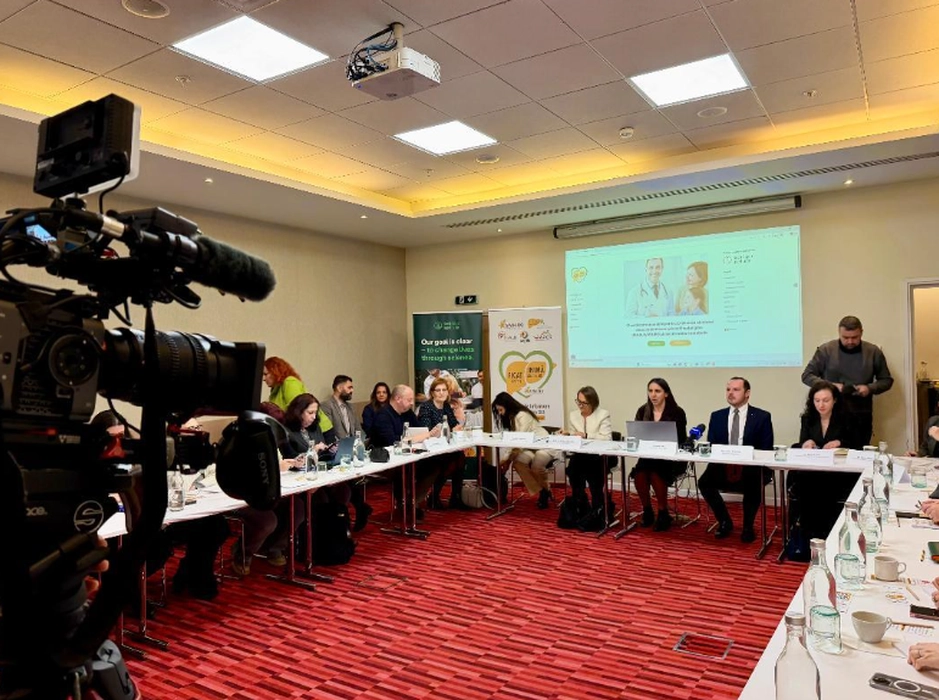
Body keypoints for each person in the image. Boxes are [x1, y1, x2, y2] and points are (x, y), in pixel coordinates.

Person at [699, 377, 774, 543]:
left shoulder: (762, 417)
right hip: (723, 466)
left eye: (736, 389)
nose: (730, 393)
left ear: (747, 393)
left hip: (750, 466)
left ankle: (748, 526)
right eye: (728, 389)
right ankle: (725, 521)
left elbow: (766, 448)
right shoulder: (717, 416)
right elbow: (712, 445)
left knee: (754, 482)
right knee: (704, 483)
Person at [787, 381, 863, 541]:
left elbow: (858, 445)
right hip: (813, 470)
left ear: (835, 400)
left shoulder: (848, 418)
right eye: (817, 400)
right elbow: (802, 442)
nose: (821, 405)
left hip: (838, 473)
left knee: (821, 488)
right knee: (803, 481)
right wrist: (806, 444)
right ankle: (806, 533)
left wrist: (840, 443)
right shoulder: (808, 418)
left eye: (826, 400)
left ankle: (825, 533)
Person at [802, 315, 894, 445]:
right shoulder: (826, 350)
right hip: (830, 414)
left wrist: (869, 388)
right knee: (827, 450)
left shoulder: (873, 352)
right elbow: (807, 376)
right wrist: (830, 386)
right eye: (845, 337)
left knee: (859, 450)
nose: (850, 341)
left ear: (861, 333)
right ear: (839, 333)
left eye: (855, 337)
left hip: (860, 412)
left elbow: (886, 380)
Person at [231, 402, 296, 576]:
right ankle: (242, 553)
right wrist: (275, 468)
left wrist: (286, 464)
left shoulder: (269, 440)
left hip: (267, 493)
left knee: (298, 508)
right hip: (242, 497)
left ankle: (275, 547)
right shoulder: (238, 441)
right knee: (268, 520)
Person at [372, 384, 443, 517]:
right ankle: (405, 503)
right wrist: (420, 437)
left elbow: (420, 430)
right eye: (409, 400)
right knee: (406, 470)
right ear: (398, 399)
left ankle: (413, 500)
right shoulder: (383, 416)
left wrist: (430, 434)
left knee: (434, 464)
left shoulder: (407, 413)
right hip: (386, 461)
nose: (412, 403)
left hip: (407, 455)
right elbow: (392, 441)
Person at [630, 378, 687, 532]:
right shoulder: (643, 411)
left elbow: (681, 439)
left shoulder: (677, 412)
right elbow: (637, 435)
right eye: (650, 391)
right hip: (647, 455)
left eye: (657, 391)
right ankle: (647, 511)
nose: (653, 395)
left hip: (670, 458)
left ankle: (663, 513)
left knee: (656, 472)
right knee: (640, 474)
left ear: (666, 393)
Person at [491, 392, 561, 509]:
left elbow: (519, 440)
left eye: (500, 410)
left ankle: (545, 491)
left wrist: (506, 459)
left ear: (507, 406)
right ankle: (543, 490)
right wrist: (507, 459)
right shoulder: (512, 418)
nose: (500, 413)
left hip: (544, 445)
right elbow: (515, 442)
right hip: (529, 447)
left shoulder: (523, 415)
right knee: (518, 463)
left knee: (536, 465)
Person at [320, 374, 371, 530]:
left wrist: (362, 443)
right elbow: (329, 432)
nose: (352, 390)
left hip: (353, 449)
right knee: (347, 481)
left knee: (352, 478)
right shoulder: (326, 406)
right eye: (349, 387)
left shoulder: (350, 407)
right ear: (339, 387)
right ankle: (359, 508)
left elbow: (358, 429)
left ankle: (360, 508)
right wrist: (343, 447)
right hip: (337, 451)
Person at [563, 386, 613, 521]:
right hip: (580, 454)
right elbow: (575, 435)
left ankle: (598, 507)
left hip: (598, 455)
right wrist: (568, 435)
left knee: (593, 473)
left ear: (593, 403)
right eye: (578, 402)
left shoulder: (603, 414)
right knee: (573, 470)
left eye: (583, 403)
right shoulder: (573, 415)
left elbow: (606, 438)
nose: (580, 406)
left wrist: (586, 435)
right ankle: (580, 502)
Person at [419, 378, 468, 510]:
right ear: (432, 393)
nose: (441, 393)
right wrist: (448, 431)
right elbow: (427, 430)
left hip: (445, 447)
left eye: (444, 390)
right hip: (430, 449)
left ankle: (455, 497)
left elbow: (453, 424)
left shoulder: (446, 406)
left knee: (460, 457)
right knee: (449, 461)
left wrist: (457, 427)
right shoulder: (426, 407)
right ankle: (434, 497)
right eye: (438, 390)